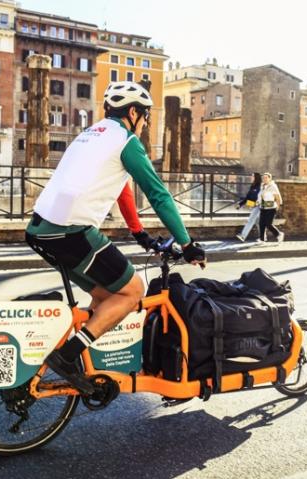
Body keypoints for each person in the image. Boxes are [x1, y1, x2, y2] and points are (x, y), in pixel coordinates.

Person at [26, 81, 205, 393]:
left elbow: (122, 188)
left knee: (107, 297)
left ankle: (86, 366)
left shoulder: (91, 136)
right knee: (132, 292)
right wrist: (188, 244)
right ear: (133, 112)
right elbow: (159, 195)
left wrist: (139, 233)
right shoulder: (126, 140)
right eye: (146, 116)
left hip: (40, 230)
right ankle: (67, 357)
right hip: (70, 232)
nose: (146, 123)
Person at [235, 172, 262, 242]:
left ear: (256, 178)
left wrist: (251, 203)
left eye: (252, 176)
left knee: (250, 220)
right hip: (254, 206)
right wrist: (240, 204)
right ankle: (264, 236)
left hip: (259, 206)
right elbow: (247, 198)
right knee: (258, 222)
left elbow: (258, 199)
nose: (251, 177)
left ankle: (243, 236)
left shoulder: (260, 187)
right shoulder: (252, 186)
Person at [258, 172, 284, 243]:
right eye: (263, 178)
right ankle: (262, 239)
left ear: (270, 178)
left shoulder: (273, 186)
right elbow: (261, 197)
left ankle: (279, 234)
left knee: (268, 224)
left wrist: (278, 207)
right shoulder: (262, 186)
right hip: (263, 207)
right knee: (261, 224)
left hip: (271, 208)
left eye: (266, 177)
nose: (264, 179)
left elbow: (277, 197)